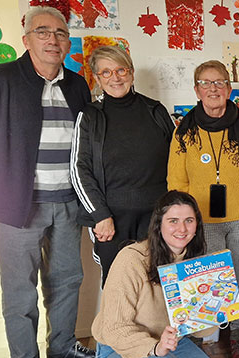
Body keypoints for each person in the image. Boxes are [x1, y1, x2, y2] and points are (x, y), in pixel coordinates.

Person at [0, 6, 94, 358]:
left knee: (68, 278)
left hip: (68, 200)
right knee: (20, 287)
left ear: (68, 41)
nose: (53, 39)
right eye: (43, 32)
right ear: (26, 39)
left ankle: (63, 345)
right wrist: (4, 177)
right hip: (17, 205)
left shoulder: (77, 85)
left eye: (60, 33)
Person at [92, 190, 235, 358]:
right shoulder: (131, 259)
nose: (182, 229)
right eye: (173, 221)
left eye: (189, 220)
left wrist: (217, 311)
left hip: (171, 343)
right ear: (159, 225)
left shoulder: (196, 263)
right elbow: (114, 329)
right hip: (116, 350)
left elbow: (199, 331)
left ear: (197, 225)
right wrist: (155, 349)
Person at [168, 60, 239, 358]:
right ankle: (209, 337)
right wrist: (185, 220)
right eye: (206, 83)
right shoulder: (184, 132)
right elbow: (176, 180)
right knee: (208, 281)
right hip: (203, 220)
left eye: (219, 82)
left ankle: (238, 336)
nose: (213, 88)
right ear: (197, 89)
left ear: (229, 88)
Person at [71, 45, 176, 286]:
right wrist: (100, 215)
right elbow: (79, 170)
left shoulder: (155, 110)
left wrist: (174, 211)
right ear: (97, 78)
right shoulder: (89, 116)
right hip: (111, 219)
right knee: (118, 286)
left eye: (121, 70)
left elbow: (177, 160)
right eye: (106, 72)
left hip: (156, 216)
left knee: (159, 284)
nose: (115, 78)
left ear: (131, 73)